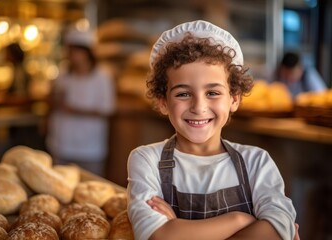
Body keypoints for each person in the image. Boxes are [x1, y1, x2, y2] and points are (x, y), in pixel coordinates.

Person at [127, 20, 299, 240]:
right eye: (183, 94)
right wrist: (241, 220)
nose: (199, 107)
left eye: (213, 93)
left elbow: (279, 227)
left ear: (234, 99)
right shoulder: (146, 159)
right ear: (162, 102)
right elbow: (156, 236)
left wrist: (178, 228)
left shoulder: (256, 162)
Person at [46, 24, 116, 176]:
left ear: (87, 53)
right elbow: (52, 102)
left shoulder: (102, 77)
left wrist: (74, 109)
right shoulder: (63, 75)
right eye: (69, 51)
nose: (71, 55)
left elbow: (107, 109)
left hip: (89, 148)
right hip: (61, 144)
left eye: (75, 51)